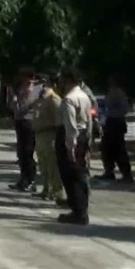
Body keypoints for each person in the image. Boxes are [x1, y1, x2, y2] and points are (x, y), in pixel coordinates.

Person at [56, 68, 92, 225]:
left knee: (70, 176)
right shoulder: (85, 97)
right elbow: (90, 121)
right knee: (81, 173)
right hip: (83, 137)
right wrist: (88, 141)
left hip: (71, 139)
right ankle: (81, 207)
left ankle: (78, 212)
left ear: (68, 80)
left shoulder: (68, 100)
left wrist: (70, 146)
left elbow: (70, 126)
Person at [32, 78, 65, 203]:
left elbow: (59, 121)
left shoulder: (54, 99)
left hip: (49, 135)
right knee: (43, 165)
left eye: (46, 84)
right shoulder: (41, 99)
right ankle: (46, 189)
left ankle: (57, 192)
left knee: (53, 166)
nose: (42, 86)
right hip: (40, 135)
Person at [99, 75, 134, 183]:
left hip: (116, 122)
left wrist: (112, 115)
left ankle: (126, 174)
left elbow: (124, 109)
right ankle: (109, 171)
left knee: (119, 149)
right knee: (106, 148)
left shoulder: (118, 93)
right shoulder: (111, 92)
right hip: (110, 122)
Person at [10, 72, 39, 191]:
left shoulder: (33, 95)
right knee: (21, 154)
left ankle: (30, 180)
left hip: (29, 125)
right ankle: (23, 179)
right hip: (21, 124)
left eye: (27, 83)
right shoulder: (23, 94)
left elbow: (21, 110)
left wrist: (14, 100)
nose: (23, 86)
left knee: (27, 153)